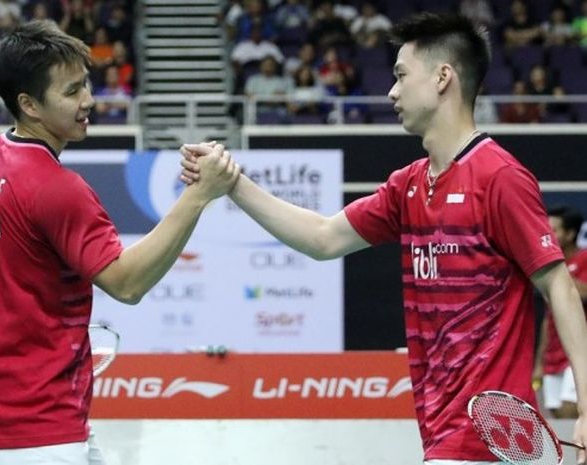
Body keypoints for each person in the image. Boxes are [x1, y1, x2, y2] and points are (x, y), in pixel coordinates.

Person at [181, 13, 587, 464]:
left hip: (488, 435)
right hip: (437, 428)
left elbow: (559, 287)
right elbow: (322, 238)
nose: (391, 91)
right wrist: (233, 183)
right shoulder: (407, 185)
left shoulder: (499, 177)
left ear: (442, 78)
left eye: (400, 75)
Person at [0, 20, 239, 465]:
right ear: (29, 104)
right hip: (36, 424)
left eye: (85, 85)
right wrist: (198, 196)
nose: (89, 100)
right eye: (72, 92)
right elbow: (127, 284)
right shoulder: (57, 188)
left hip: (24, 414)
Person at [533, 206, 587, 418]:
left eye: (554, 230)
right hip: (553, 354)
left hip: (577, 352)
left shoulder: (583, 260)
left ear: (570, 234)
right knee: (559, 415)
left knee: (571, 411)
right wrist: (539, 362)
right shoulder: (554, 266)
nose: (548, 234)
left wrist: (557, 281)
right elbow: (548, 319)